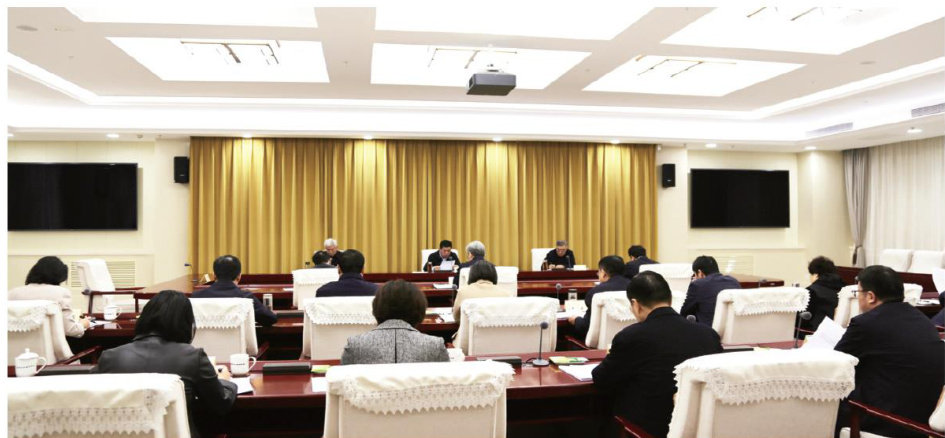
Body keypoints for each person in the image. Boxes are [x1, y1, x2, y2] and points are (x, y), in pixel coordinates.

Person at [593, 271, 722, 438]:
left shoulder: (631, 337)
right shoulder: (708, 335)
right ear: (670, 300)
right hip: (699, 430)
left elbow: (601, 379)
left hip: (645, 430)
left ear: (635, 304)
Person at [94, 290, 237, 438]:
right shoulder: (193, 357)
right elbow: (221, 404)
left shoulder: (110, 357)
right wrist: (224, 381)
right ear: (186, 323)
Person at [834, 265, 944, 438]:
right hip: (921, 422)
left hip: (885, 420)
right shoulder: (923, 320)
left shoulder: (865, 323)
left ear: (871, 296)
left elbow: (835, 364)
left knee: (822, 400)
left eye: (858, 293)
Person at [341, 280, 449, 364]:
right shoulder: (434, 346)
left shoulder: (355, 345)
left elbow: (342, 383)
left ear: (377, 308)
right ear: (419, 309)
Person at [8, 256, 90, 338]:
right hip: (49, 346)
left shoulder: (12, 293)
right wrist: (83, 324)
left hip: (14, 345)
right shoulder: (61, 293)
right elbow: (71, 330)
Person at [192, 255, 277, 326]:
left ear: (214, 275)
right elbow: (270, 319)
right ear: (239, 276)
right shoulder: (246, 297)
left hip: (205, 342)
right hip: (238, 342)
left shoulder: (197, 297)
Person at [569, 255, 630, 340]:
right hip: (629, 339)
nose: (598, 274)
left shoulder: (596, 292)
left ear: (604, 273)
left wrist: (576, 320)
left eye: (599, 271)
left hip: (600, 344)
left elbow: (586, 326)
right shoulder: (635, 287)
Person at [679, 255, 740, 327]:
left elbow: (684, 312)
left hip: (708, 331)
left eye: (694, 275)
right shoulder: (733, 281)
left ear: (700, 273)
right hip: (733, 329)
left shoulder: (697, 285)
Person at [800, 256, 845, 332]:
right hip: (839, 331)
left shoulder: (811, 291)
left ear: (816, 275)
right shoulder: (844, 288)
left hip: (816, 332)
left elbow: (803, 320)